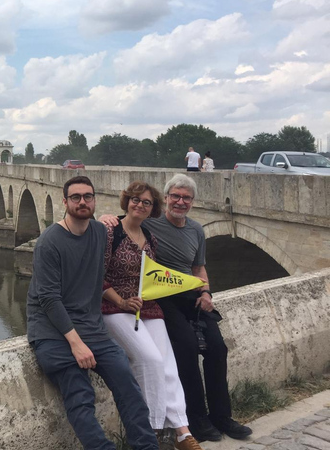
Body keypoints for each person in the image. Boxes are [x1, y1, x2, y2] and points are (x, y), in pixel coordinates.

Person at [102, 174, 251, 443]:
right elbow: (128, 218)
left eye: (186, 198)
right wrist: (105, 216)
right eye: (176, 196)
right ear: (167, 198)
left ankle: (222, 416)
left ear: (193, 202)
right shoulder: (152, 224)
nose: (180, 202)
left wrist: (206, 291)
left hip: (190, 294)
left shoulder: (195, 230)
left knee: (218, 348)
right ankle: (195, 420)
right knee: (185, 348)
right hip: (162, 297)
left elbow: (198, 268)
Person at [27, 176, 158, 450]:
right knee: (80, 396)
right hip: (54, 333)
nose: (82, 202)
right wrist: (76, 344)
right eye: (76, 197)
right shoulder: (49, 242)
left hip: (92, 329)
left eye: (88, 196)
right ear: (65, 202)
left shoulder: (100, 232)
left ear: (95, 200)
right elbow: (49, 299)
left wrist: (121, 303)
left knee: (128, 387)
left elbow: (103, 272)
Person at [101, 181, 202, 450]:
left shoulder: (151, 238)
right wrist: (122, 301)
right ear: (126, 201)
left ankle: (182, 431)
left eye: (146, 202)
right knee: (150, 360)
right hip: (114, 307)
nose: (140, 205)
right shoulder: (109, 231)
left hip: (146, 305)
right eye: (136, 200)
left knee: (168, 362)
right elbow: (96, 276)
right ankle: (153, 431)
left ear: (152, 208)